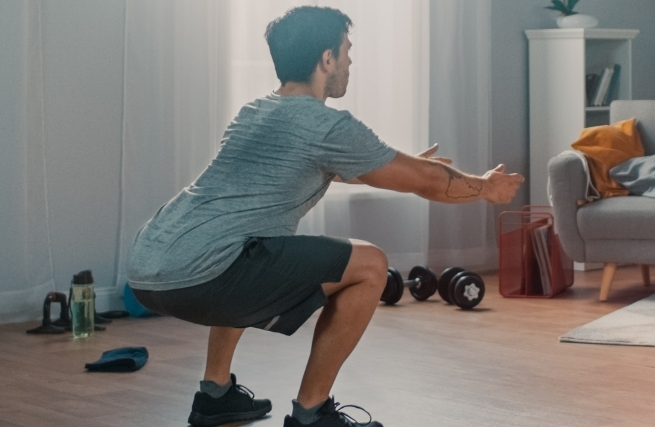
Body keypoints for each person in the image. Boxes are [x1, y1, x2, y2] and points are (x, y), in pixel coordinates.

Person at [126, 5, 523, 427]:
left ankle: (215, 395)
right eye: (347, 51)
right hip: (205, 274)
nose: (350, 62)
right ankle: (311, 414)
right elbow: (432, 184)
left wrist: (394, 164)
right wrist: (483, 186)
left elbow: (318, 164)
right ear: (327, 59)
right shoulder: (327, 125)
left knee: (243, 242)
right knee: (370, 264)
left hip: (149, 266)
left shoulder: (255, 111)